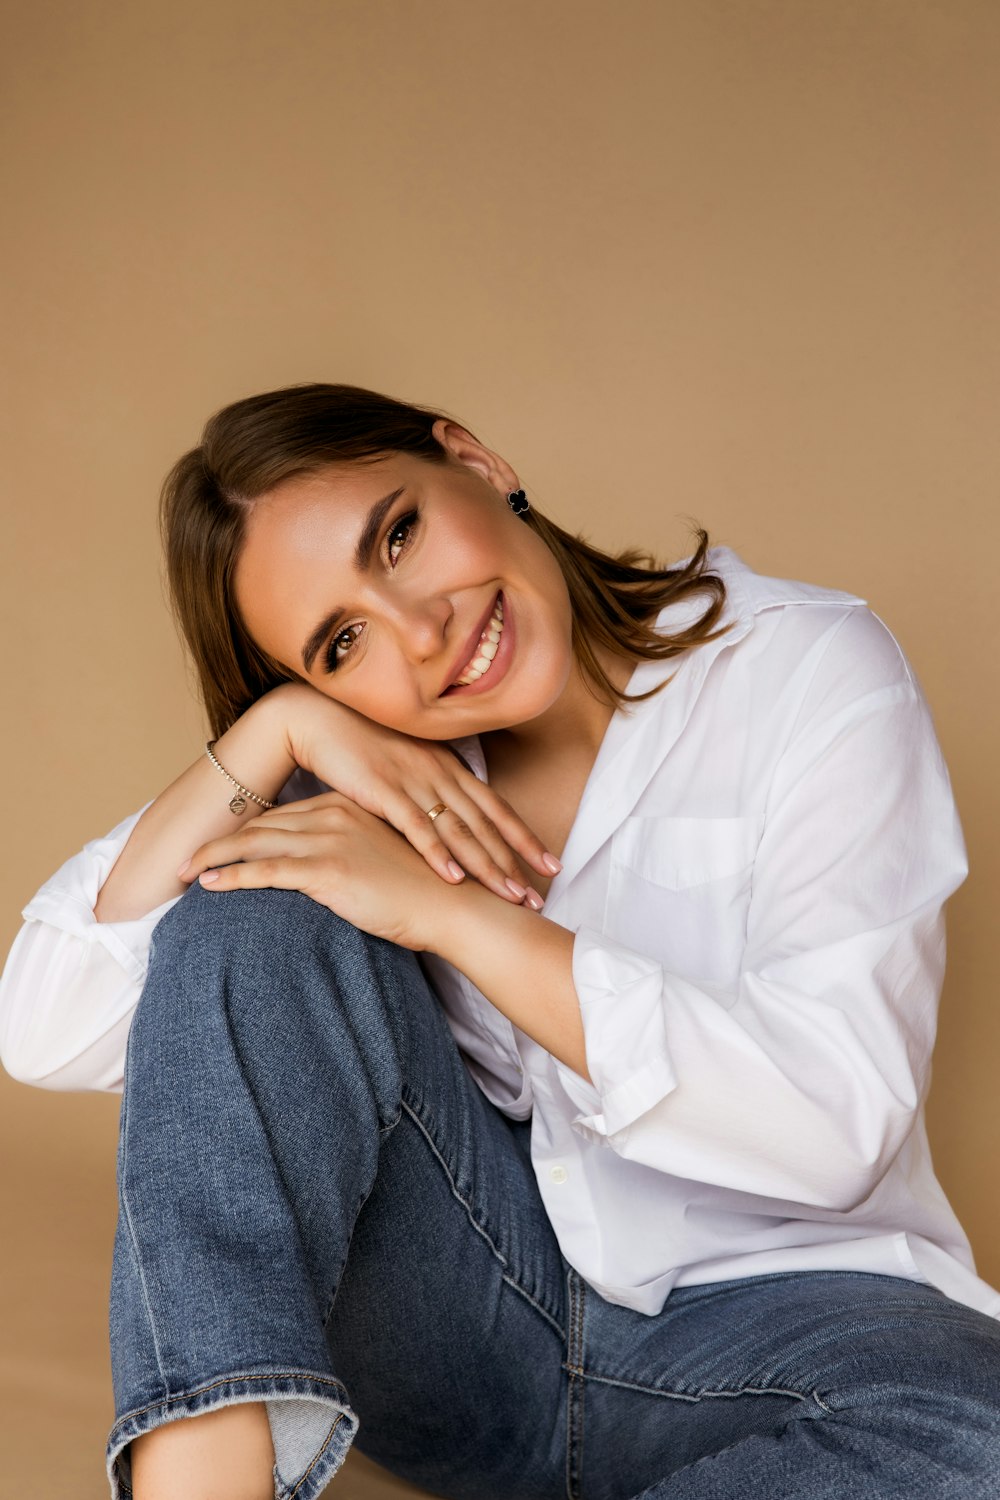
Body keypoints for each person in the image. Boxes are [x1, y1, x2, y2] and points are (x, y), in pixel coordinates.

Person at [1, 383, 998, 1500]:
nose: (422, 635)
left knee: (977, 1433)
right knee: (256, 887)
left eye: (398, 535)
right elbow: (42, 1028)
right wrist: (278, 732)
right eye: (342, 644)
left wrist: (448, 914)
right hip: (462, 1338)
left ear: (474, 461)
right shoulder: (364, 764)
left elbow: (834, 1125)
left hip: (790, 1332)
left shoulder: (808, 669)